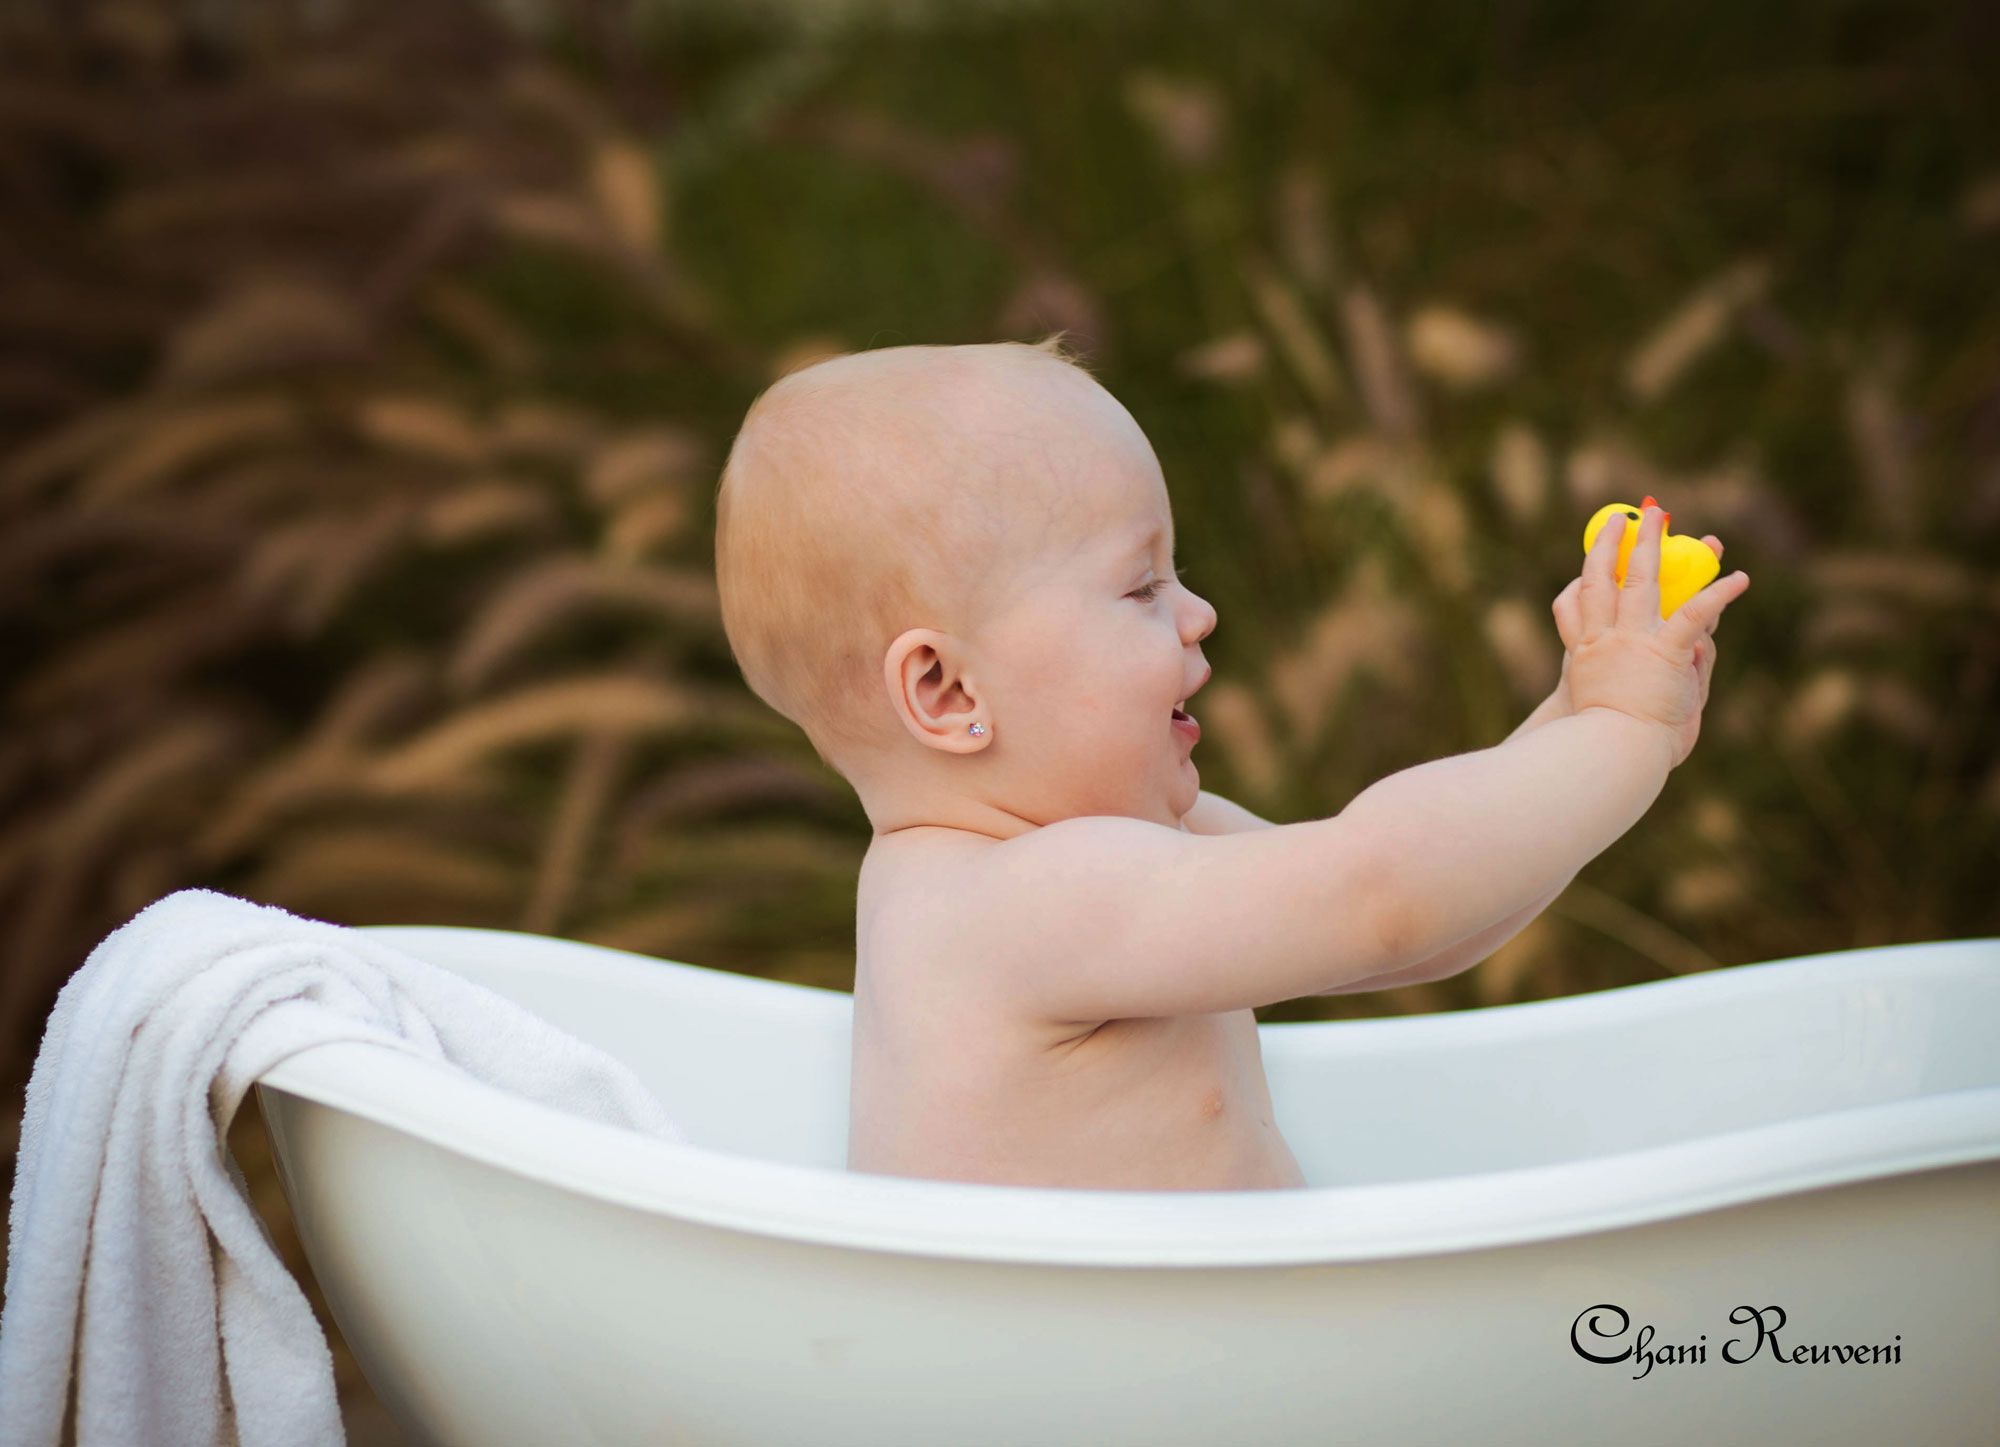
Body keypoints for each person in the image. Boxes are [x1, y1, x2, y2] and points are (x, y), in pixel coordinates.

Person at [712, 334, 1748, 1191]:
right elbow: (1383, 894)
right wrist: (1623, 728)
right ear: (948, 691)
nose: (1200, 613)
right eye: (1140, 588)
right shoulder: (1014, 905)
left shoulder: (1112, 850)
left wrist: (1573, 721)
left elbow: (1422, 930)